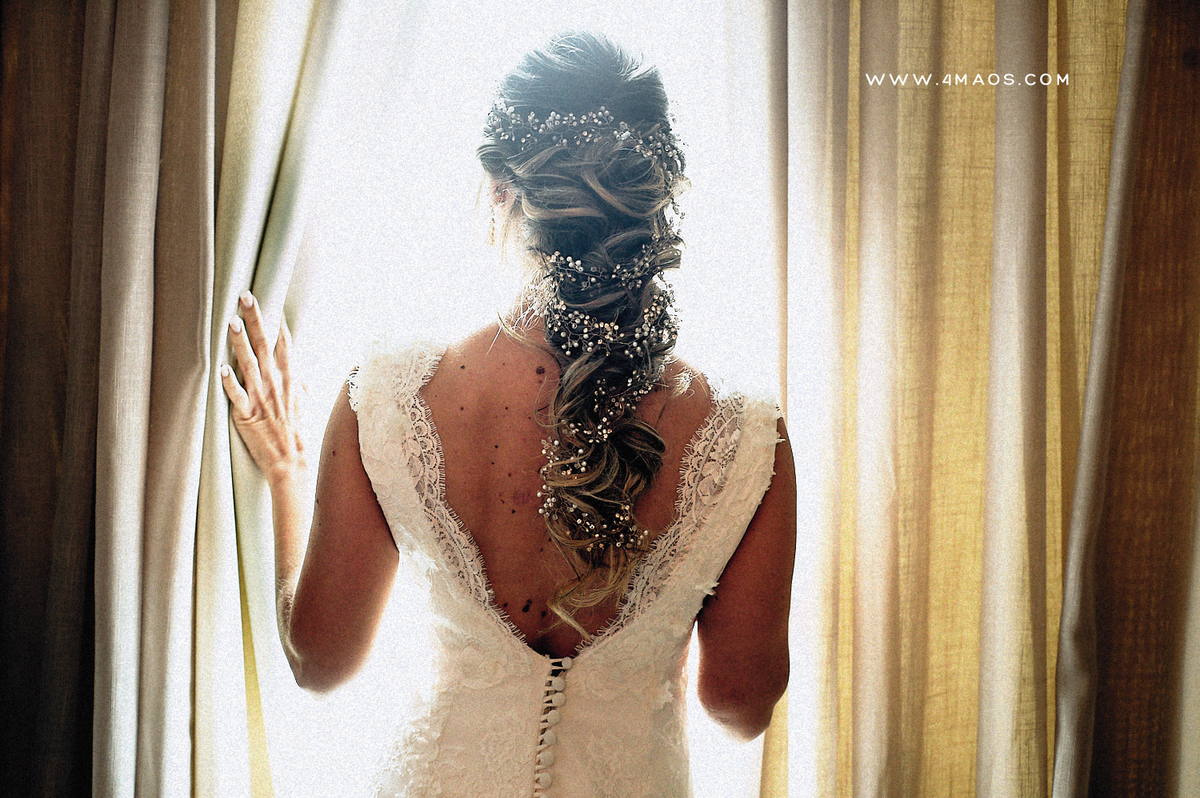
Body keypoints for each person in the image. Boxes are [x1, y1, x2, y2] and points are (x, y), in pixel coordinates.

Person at [221, 31, 795, 798]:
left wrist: (287, 476)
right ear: (656, 200)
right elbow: (738, 704)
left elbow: (320, 662)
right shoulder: (748, 435)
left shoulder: (391, 394)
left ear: (498, 191)